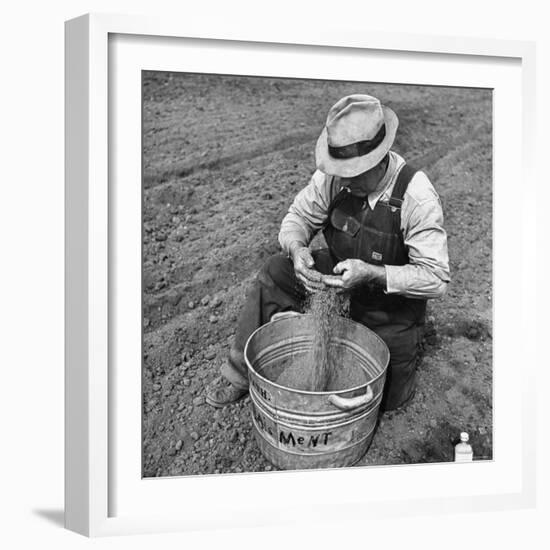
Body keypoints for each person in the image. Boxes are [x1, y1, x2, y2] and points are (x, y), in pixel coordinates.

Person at [206, 94, 450, 411]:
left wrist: (373, 274)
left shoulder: (416, 196)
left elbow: (436, 278)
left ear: (379, 158)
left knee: (383, 401)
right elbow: (298, 218)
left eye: (354, 172)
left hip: (388, 308)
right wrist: (296, 250)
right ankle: (238, 374)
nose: (344, 181)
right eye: (340, 171)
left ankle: (334, 338)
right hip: (334, 281)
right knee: (275, 271)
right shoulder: (335, 178)